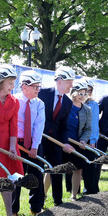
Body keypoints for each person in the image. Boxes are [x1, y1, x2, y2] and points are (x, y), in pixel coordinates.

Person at [0, 64, 23, 216]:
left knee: (9, 179)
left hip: (6, 144)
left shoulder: (14, 101)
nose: (13, 86)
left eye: (13, 82)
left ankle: (9, 215)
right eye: (10, 82)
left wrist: (12, 145)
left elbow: (14, 125)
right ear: (0, 81)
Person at [39, 66, 75, 207]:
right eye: (68, 82)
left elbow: (64, 126)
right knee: (39, 170)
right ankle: (38, 203)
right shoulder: (42, 93)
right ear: (59, 81)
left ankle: (58, 202)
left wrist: (64, 143)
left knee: (58, 170)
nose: (71, 86)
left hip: (56, 142)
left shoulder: (67, 102)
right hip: (40, 139)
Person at [13, 70, 46, 215]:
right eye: (35, 87)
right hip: (16, 144)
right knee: (16, 177)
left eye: (39, 87)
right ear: (24, 86)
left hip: (33, 145)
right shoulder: (13, 100)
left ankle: (36, 208)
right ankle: (13, 211)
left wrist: (34, 147)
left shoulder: (39, 104)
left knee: (37, 175)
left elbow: (39, 126)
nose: (38, 90)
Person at [64, 81, 92, 201]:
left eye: (85, 94)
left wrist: (83, 140)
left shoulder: (87, 110)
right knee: (54, 169)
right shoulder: (65, 105)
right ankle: (44, 194)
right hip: (62, 141)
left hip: (77, 143)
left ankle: (74, 195)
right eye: (80, 93)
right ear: (74, 93)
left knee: (78, 169)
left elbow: (88, 128)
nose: (82, 96)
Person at [81, 78, 100, 195]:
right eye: (84, 90)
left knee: (89, 164)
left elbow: (94, 123)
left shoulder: (93, 104)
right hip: (75, 138)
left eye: (89, 90)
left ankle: (90, 189)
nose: (87, 93)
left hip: (88, 138)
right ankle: (73, 190)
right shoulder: (74, 102)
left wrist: (92, 140)